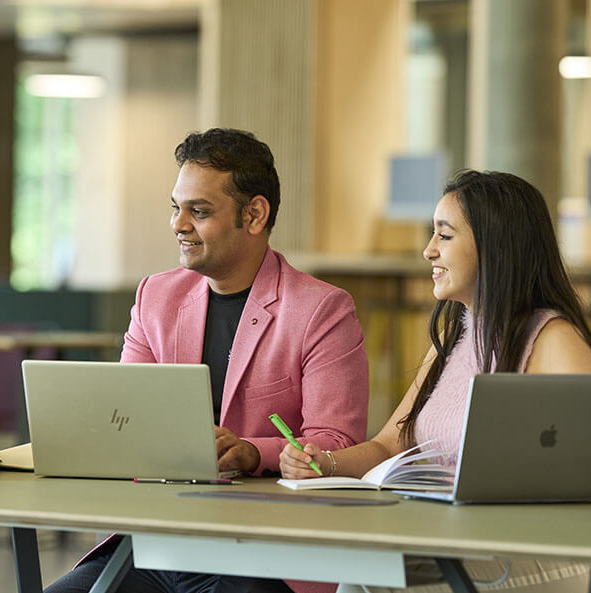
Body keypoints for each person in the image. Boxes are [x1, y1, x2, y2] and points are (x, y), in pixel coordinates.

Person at [46, 128, 369, 593]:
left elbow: (336, 442)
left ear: (254, 214)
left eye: (198, 211)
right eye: (176, 208)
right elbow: (121, 419)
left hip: (264, 549)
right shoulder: (156, 296)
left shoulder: (321, 310)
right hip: (155, 541)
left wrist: (255, 450)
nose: (179, 224)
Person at [280, 170, 591, 593]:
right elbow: (389, 445)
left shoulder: (554, 340)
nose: (428, 251)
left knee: (373, 586)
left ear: (495, 246)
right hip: (451, 542)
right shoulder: (455, 334)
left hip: (538, 553)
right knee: (364, 577)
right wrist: (323, 463)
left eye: (444, 236)